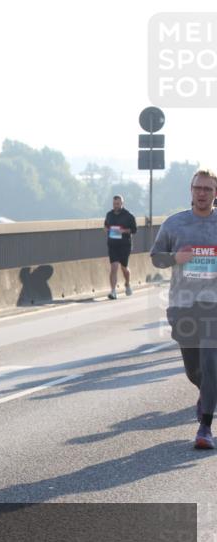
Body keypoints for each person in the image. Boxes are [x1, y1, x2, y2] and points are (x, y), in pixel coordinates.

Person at [150, 168, 217, 450]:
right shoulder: (174, 224)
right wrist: (175, 257)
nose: (202, 194)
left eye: (208, 189)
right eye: (197, 188)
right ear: (190, 191)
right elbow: (156, 258)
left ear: (216, 194)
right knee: (194, 371)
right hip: (182, 304)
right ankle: (205, 392)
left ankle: (205, 427)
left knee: (211, 362)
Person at [104, 194, 137, 299]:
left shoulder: (129, 216)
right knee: (114, 267)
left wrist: (124, 231)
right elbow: (106, 225)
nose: (116, 206)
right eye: (114, 204)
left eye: (118, 204)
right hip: (112, 245)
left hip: (124, 245)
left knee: (124, 268)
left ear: (122, 204)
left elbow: (134, 230)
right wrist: (106, 229)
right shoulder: (109, 214)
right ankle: (113, 291)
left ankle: (127, 283)